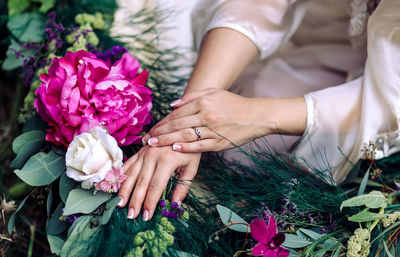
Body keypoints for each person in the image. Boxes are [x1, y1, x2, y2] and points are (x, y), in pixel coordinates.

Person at [117, 0, 400, 221]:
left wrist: (256, 116)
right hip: (317, 34)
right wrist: (190, 116)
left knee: (250, 165)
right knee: (220, 147)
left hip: (377, 93)